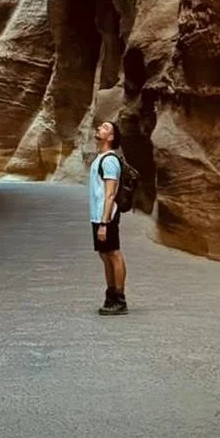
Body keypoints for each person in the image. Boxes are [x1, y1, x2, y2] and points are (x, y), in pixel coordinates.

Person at [90, 119, 127, 315]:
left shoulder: (110, 160)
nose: (99, 128)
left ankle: (119, 299)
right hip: (98, 216)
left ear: (111, 137)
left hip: (107, 217)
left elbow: (110, 194)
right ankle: (111, 294)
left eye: (105, 127)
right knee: (105, 255)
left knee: (114, 253)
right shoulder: (100, 158)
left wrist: (104, 223)